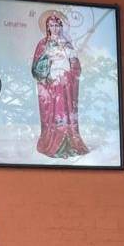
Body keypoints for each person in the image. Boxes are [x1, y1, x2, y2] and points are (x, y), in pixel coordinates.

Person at [31, 10, 89, 159]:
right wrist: (49, 65)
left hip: (66, 84)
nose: (55, 28)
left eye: (57, 25)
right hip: (51, 85)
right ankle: (54, 145)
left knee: (67, 113)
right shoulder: (42, 44)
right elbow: (36, 68)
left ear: (61, 26)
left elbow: (76, 66)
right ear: (47, 27)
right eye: (51, 25)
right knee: (55, 114)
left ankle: (70, 144)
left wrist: (68, 74)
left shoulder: (67, 44)